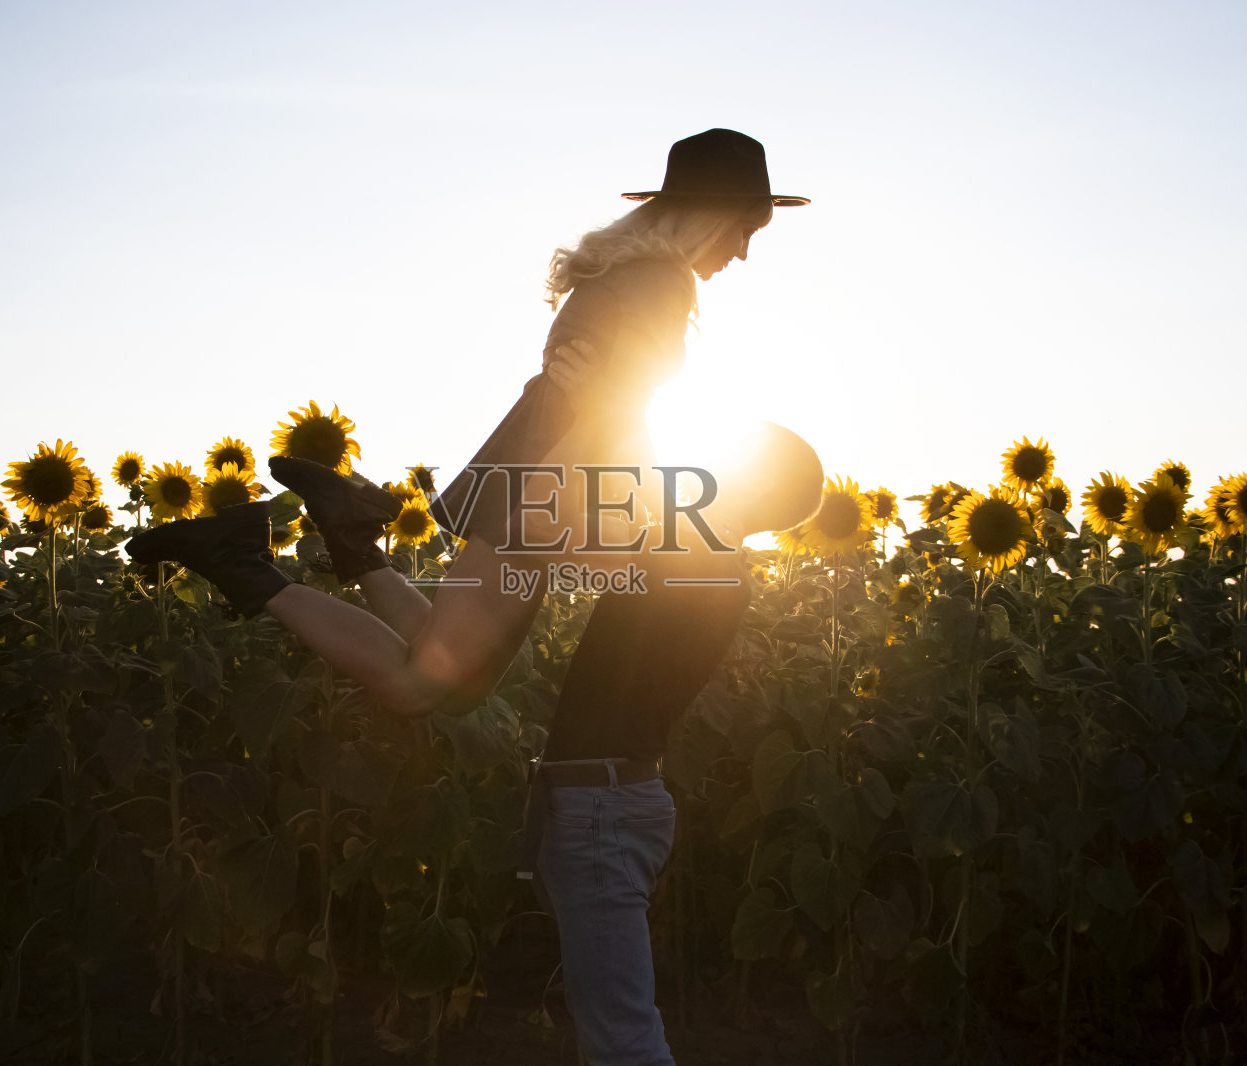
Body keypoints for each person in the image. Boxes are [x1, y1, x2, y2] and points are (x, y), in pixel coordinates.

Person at [126, 129, 809, 717]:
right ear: (712, 212)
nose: (744, 250)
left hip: (540, 466)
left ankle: (351, 530)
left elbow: (597, 388)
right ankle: (241, 559)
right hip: (554, 483)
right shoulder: (664, 280)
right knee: (423, 685)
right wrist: (595, 521)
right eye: (746, 227)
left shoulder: (620, 274)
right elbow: (618, 404)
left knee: (449, 672)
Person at [522, 421, 824, 1066]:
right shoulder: (703, 556)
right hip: (599, 801)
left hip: (601, 809)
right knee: (608, 1025)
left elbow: (584, 509)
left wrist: (617, 390)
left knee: (621, 1039)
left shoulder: (699, 556)